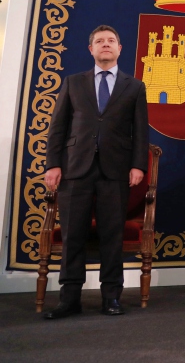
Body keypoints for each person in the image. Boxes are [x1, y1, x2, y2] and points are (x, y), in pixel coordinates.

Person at [43, 26, 149, 319]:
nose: (105, 44)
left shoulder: (135, 86)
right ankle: (69, 300)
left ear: (119, 49)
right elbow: (58, 127)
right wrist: (53, 164)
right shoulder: (73, 82)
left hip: (115, 171)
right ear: (91, 49)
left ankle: (111, 297)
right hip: (75, 169)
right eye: (99, 41)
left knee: (112, 237)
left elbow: (141, 131)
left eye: (111, 41)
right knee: (73, 235)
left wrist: (138, 165)